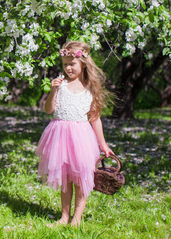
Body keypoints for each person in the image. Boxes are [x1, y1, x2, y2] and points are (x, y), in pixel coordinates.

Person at [36, 41, 114, 227]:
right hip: (60, 136)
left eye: (72, 64)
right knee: (65, 179)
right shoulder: (60, 85)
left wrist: (103, 144)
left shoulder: (89, 89)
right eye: (65, 64)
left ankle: (76, 218)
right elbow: (49, 110)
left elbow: (95, 118)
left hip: (81, 138)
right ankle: (64, 217)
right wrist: (52, 91)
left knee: (81, 180)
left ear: (83, 64)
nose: (68, 68)